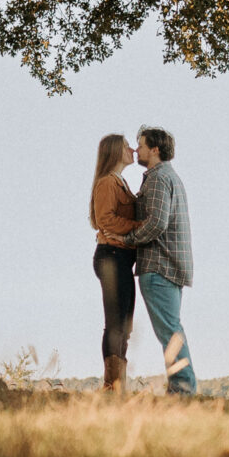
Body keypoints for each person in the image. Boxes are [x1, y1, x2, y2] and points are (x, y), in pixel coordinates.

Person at [119, 126, 196, 395]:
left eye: (140, 146)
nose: (136, 150)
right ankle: (183, 388)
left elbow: (156, 224)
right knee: (171, 330)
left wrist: (127, 239)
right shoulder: (165, 177)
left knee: (170, 333)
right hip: (170, 264)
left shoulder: (159, 179)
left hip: (159, 264)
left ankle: (183, 390)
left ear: (155, 149)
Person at [89, 133, 139, 393]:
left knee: (125, 324)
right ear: (114, 152)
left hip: (121, 259)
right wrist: (138, 228)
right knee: (116, 323)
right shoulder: (107, 183)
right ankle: (112, 385)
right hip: (111, 257)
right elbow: (105, 220)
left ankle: (118, 384)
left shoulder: (121, 183)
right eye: (126, 146)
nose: (132, 149)